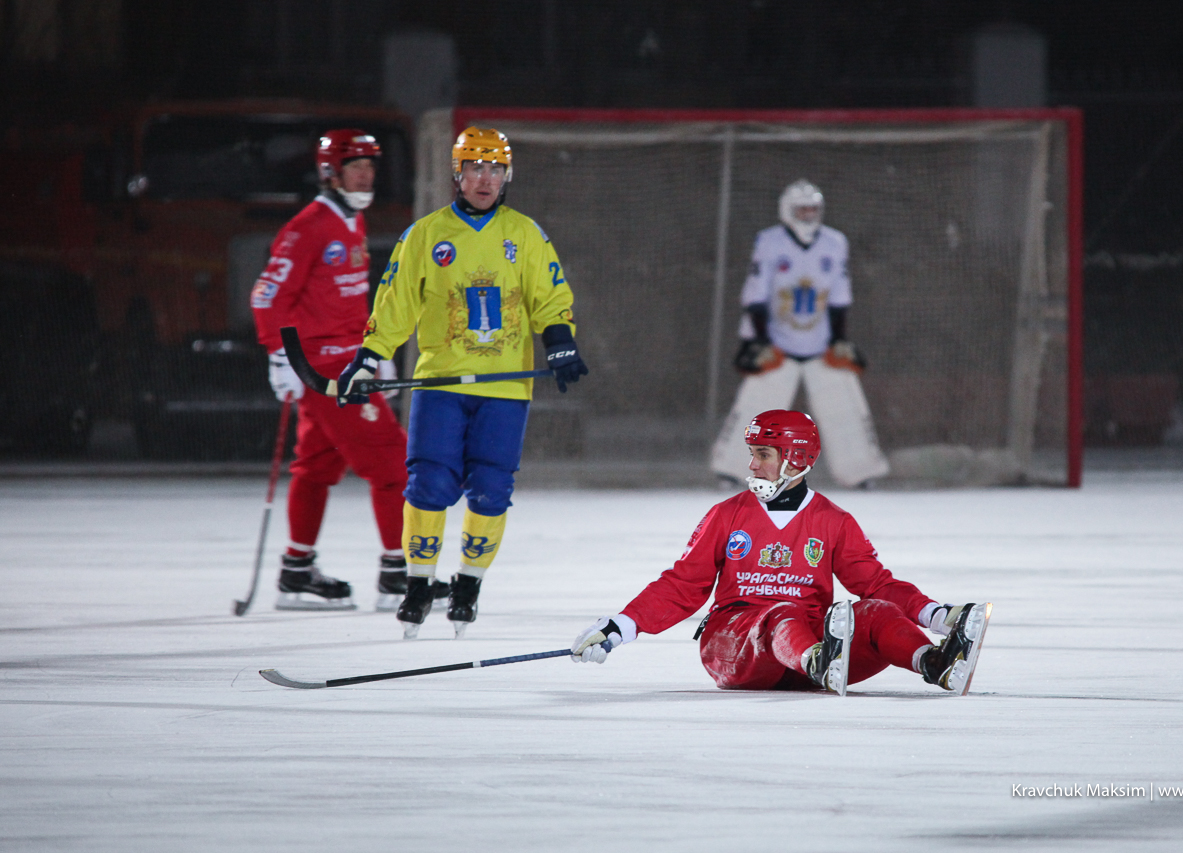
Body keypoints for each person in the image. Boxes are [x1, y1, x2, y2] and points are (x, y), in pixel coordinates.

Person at [337, 126, 588, 640]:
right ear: (457, 173)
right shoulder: (426, 235)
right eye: (475, 167)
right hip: (441, 383)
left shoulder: (525, 234)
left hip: (505, 389)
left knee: (492, 490)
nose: (485, 179)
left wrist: (559, 340)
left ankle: (469, 586)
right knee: (429, 483)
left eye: (495, 169)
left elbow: (549, 296)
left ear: (507, 176)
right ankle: (418, 584)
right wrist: (368, 358)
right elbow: (395, 305)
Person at [574, 410, 990, 695]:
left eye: (763, 455)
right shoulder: (726, 515)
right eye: (753, 454)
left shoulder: (833, 520)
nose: (752, 465)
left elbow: (877, 584)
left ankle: (936, 664)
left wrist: (937, 614)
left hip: (811, 647)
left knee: (877, 611)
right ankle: (818, 663)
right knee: (783, 611)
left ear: (796, 459)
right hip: (736, 645)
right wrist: (620, 626)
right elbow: (683, 585)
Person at [250, 129, 410, 612]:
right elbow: (267, 295)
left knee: (317, 467)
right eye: (355, 166)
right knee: (394, 465)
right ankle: (398, 576)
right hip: (327, 371)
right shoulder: (309, 226)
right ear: (330, 173)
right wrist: (279, 354)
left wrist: (373, 345)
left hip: (345, 359)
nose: (366, 174)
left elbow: (346, 297)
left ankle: (296, 573)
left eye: (370, 166)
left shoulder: (351, 221)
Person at [710, 179, 890, 489]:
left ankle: (862, 471)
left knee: (845, 406)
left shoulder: (835, 242)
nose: (808, 215)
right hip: (777, 342)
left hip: (820, 342)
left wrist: (838, 339)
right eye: (802, 209)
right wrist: (762, 341)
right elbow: (756, 294)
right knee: (755, 407)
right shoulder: (769, 242)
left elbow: (839, 296)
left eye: (813, 209)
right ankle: (731, 469)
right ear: (787, 211)